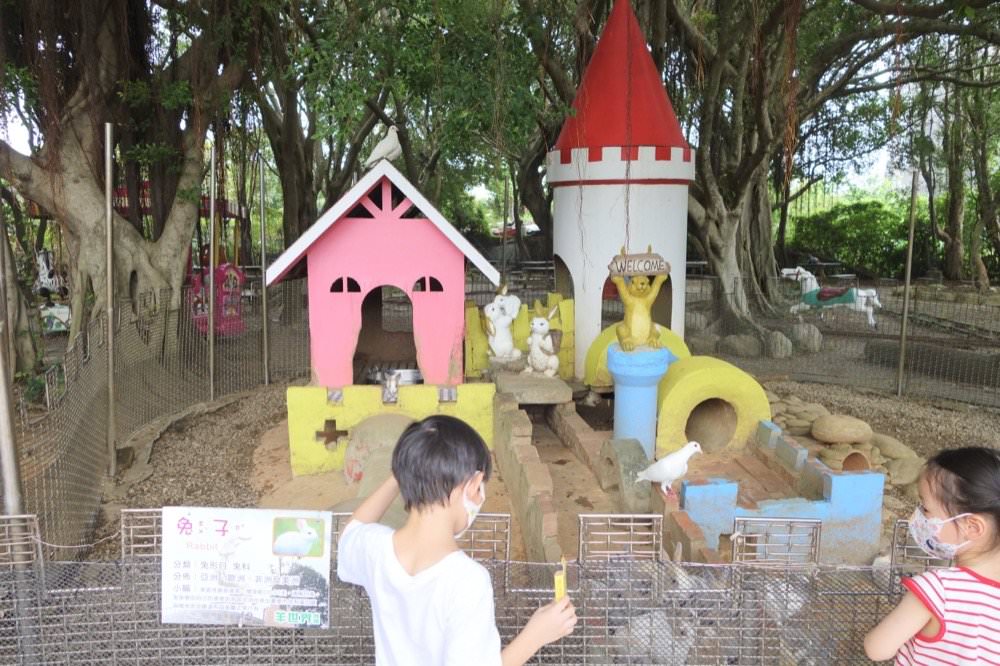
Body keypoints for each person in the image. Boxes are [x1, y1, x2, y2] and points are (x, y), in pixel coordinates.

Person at [337, 415, 577, 665]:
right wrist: (536, 635)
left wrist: (405, 471)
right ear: (473, 485)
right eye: (480, 487)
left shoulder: (376, 550)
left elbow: (350, 534)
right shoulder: (467, 581)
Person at [864, 446, 1000, 664]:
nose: (916, 517)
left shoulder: (939, 590)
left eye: (926, 509)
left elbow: (877, 649)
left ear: (973, 527)